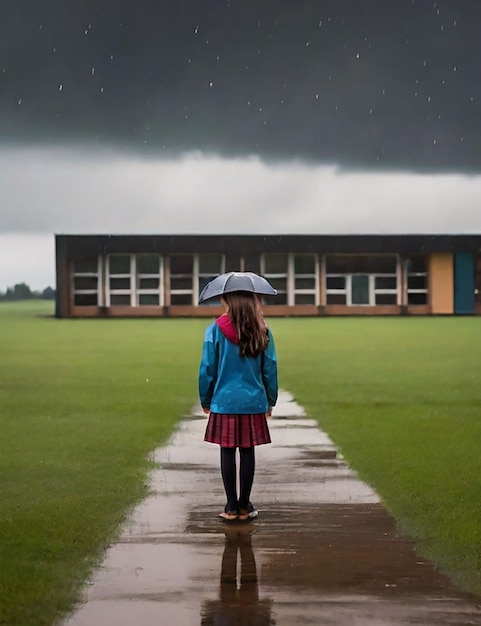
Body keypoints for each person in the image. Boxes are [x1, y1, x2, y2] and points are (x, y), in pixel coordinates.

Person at [198, 290, 278, 522]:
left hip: (224, 402)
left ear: (226, 301)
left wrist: (206, 398)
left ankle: (231, 506)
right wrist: (269, 400)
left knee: (227, 451)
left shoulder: (214, 330)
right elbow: (269, 368)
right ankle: (245, 506)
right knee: (247, 451)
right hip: (252, 402)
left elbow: (207, 368)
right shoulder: (262, 328)